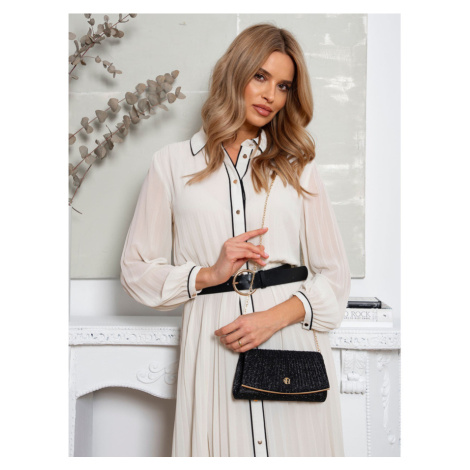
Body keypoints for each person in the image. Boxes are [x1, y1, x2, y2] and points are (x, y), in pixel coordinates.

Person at [120, 23, 351, 457]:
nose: (270, 95)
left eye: (283, 86)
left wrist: (274, 318)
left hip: (289, 339)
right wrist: (209, 273)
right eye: (260, 76)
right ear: (235, 73)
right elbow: (135, 272)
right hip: (215, 342)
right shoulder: (171, 164)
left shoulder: (298, 166)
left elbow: (335, 276)